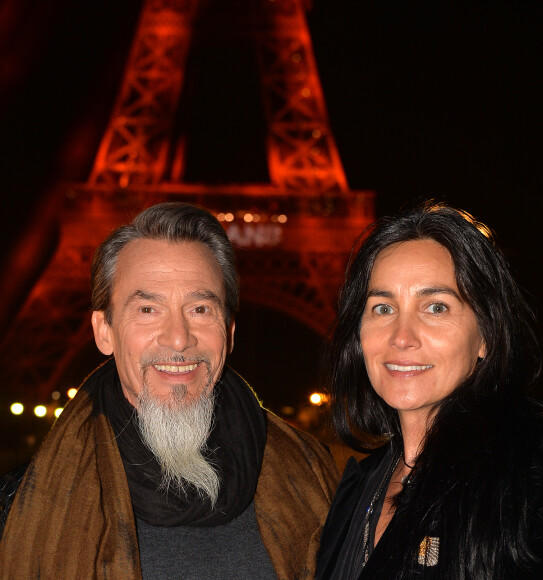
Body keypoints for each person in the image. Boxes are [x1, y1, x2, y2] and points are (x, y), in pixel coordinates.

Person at [0, 202, 339, 579]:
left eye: (200, 309)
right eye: (148, 309)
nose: (178, 339)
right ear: (104, 331)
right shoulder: (14, 506)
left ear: (228, 333)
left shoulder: (317, 475)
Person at [315, 201, 543, 579]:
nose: (401, 337)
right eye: (382, 308)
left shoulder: (536, 479)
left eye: (436, 307)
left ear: (486, 335)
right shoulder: (360, 486)